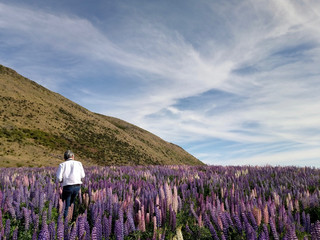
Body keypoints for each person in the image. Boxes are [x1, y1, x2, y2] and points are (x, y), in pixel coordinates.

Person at [56, 150, 85, 219]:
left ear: (65, 158)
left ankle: (65, 222)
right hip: (77, 186)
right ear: (72, 156)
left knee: (66, 204)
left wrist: (62, 180)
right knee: (72, 203)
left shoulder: (62, 164)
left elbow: (59, 178)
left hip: (68, 187)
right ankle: (72, 219)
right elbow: (83, 176)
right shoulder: (79, 163)